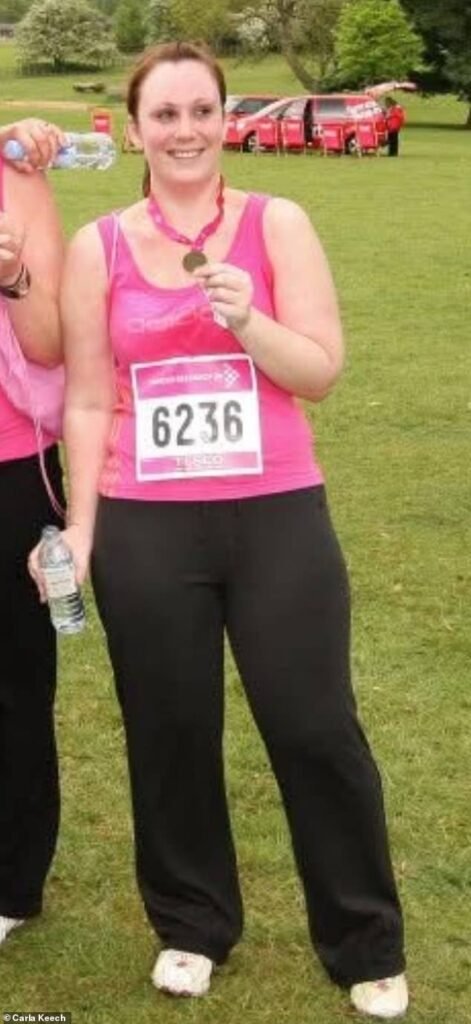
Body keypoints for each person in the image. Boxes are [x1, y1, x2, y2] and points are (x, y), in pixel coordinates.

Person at [31, 43, 408, 1018]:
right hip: (148, 523)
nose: (185, 130)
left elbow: (319, 371)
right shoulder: (99, 246)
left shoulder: (279, 223)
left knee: (313, 724)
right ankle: (192, 925)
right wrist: (83, 527)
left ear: (225, 118)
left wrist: (251, 323)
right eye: (165, 114)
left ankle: (363, 939)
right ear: (136, 130)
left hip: (275, 513)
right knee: (169, 729)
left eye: (201, 109)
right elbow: (86, 400)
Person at [0, 118, 65, 948]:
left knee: (15, 684)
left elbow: (50, 342)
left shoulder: (15, 172)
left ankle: (11, 879)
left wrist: (11, 277)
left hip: (12, 467)